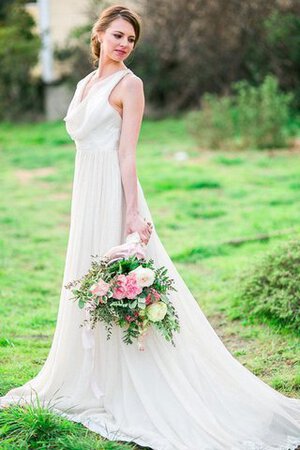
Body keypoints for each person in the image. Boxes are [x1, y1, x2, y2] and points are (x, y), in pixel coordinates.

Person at [1, 5, 300, 450]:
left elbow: (127, 153)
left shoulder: (130, 85)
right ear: (99, 34)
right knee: (87, 280)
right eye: (118, 35)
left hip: (115, 193)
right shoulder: (85, 84)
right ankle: (90, 373)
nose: (124, 44)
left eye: (131, 40)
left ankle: (131, 375)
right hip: (86, 192)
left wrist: (133, 211)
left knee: (119, 281)